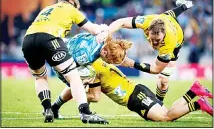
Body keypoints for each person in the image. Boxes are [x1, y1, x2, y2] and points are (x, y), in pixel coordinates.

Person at [22, 0, 109, 124]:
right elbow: (93, 29)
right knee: (73, 75)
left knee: (40, 77)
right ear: (73, 3)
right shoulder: (71, 9)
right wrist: (104, 29)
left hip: (28, 40)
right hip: (50, 38)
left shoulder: (47, 8)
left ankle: (47, 109)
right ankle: (85, 113)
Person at [52, 58, 213, 121]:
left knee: (166, 118)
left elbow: (95, 97)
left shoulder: (92, 71)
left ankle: (198, 104)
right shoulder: (97, 62)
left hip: (135, 97)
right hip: (137, 89)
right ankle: (193, 91)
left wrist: (79, 95)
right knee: (170, 112)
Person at [107, 0, 194, 102]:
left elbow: (156, 69)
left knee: (163, 80)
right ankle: (184, 6)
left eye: (158, 40)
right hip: (165, 18)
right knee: (167, 15)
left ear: (164, 34)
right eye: (152, 38)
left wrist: (131, 63)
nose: (155, 43)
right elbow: (121, 22)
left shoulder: (169, 44)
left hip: (177, 40)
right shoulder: (146, 21)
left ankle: (159, 103)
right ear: (148, 29)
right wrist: (107, 32)